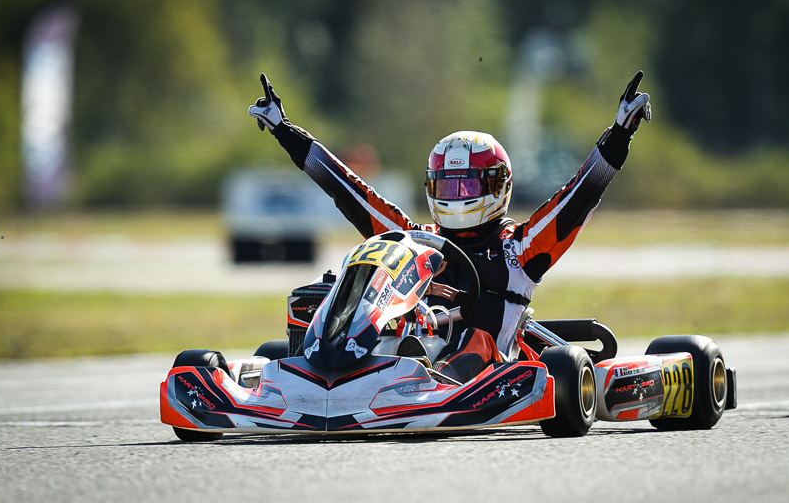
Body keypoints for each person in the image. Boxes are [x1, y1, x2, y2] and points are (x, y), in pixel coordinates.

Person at [248, 71, 651, 381]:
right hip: (414, 345)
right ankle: (328, 369)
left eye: (468, 185)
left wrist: (619, 135)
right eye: (447, 185)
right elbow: (352, 194)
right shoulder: (418, 241)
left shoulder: (520, 250)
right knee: (328, 297)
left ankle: (419, 377)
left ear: (498, 185)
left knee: (475, 340)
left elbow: (575, 200)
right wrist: (286, 131)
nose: (457, 196)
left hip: (489, 370)